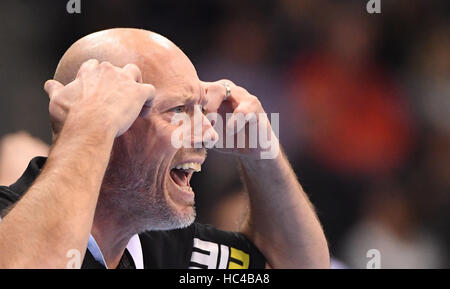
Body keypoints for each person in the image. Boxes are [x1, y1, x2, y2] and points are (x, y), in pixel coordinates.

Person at [0, 28, 329, 269]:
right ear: (112, 120)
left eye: (200, 109)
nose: (209, 135)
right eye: (179, 110)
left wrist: (262, 152)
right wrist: (88, 127)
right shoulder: (8, 218)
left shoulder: (167, 249)